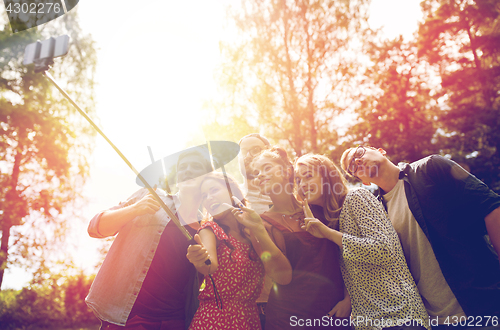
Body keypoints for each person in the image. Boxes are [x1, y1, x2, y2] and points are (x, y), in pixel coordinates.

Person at [340, 146, 500, 323]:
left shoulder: (430, 167)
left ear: (381, 151)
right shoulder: (376, 214)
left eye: (358, 153)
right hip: (431, 319)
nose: (357, 161)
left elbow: (491, 205)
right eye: (352, 167)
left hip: (484, 304)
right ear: (364, 182)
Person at [296, 154, 430, 330]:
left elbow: (384, 250)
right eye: (298, 180)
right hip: (368, 322)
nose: (303, 184)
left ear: (327, 176)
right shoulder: (330, 220)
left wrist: (329, 234)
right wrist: (348, 300)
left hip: (399, 316)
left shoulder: (356, 197)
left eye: (308, 176)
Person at [85, 149, 213, 330]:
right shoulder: (151, 196)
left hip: (175, 321)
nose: (188, 170)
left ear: (207, 178)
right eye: (183, 167)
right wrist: (135, 209)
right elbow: (95, 228)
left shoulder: (208, 228)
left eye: (196, 166)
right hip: (130, 317)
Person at [252, 146, 350, 330]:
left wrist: (349, 299)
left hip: (334, 312)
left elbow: (349, 254)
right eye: (256, 173)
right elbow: (281, 277)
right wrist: (256, 229)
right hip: (287, 318)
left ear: (287, 171)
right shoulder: (261, 224)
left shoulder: (318, 206)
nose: (259, 175)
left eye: (266, 168)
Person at [186, 172, 292, 330]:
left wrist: (258, 230)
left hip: (250, 319)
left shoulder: (253, 229)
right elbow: (209, 266)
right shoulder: (210, 230)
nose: (208, 198)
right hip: (214, 319)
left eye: (214, 190)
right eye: (204, 196)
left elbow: (283, 276)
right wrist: (199, 259)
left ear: (232, 193)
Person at [238, 133, 274, 327]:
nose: (249, 156)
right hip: (247, 302)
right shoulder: (235, 200)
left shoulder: (291, 196)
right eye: (244, 152)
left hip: (285, 298)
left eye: (256, 150)